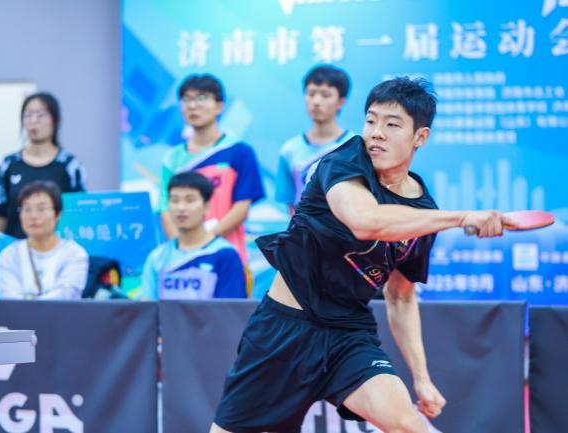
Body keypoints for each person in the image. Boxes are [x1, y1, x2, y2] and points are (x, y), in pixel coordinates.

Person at [210, 77, 514, 433]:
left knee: (409, 426)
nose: (377, 133)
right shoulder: (341, 163)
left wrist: (421, 378)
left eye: (392, 124)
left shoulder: (422, 212)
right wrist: (461, 218)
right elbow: (365, 222)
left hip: (348, 336)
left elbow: (401, 297)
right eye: (371, 121)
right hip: (284, 329)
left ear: (420, 137)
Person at [158, 74, 265, 264]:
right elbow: (165, 208)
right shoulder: (172, 158)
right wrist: (182, 249)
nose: (193, 105)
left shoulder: (239, 151)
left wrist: (203, 242)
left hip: (228, 256)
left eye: (202, 98)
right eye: (186, 99)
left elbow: (241, 208)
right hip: (183, 260)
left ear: (219, 106)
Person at [141, 172, 246, 300]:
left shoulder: (225, 254)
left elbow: (231, 309)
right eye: (175, 200)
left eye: (190, 200)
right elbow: (147, 306)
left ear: (206, 206)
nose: (181, 207)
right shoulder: (157, 257)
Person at [0, 92, 87, 239]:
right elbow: (0, 214)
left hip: (58, 247)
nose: (33, 121)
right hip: (14, 247)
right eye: (28, 115)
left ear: (56, 121)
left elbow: (79, 214)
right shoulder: (9, 164)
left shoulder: (70, 165)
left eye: (41, 115)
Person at [276, 65, 355, 214]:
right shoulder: (289, 149)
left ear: (341, 101)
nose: (316, 101)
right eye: (311, 94)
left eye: (325, 95)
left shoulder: (354, 146)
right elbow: (290, 201)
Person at [0, 180, 89, 300]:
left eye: (41, 209)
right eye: (27, 209)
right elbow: (8, 297)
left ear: (58, 214)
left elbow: (66, 295)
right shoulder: (9, 255)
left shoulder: (74, 254)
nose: (33, 216)